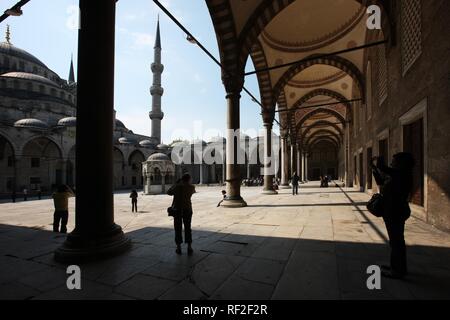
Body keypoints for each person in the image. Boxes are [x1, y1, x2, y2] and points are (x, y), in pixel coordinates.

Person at [371, 153, 415, 279]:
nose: (391, 164)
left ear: (401, 163)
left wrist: (379, 159)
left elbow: (383, 167)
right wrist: (374, 169)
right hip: (392, 211)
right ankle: (397, 267)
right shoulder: (397, 175)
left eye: (394, 161)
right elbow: (381, 182)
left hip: (396, 212)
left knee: (397, 242)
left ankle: (397, 271)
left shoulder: (403, 175)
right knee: (396, 241)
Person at [167, 173, 196, 255]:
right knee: (188, 228)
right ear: (188, 179)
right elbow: (192, 191)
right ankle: (189, 247)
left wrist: (176, 184)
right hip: (187, 209)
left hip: (177, 210)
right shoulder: (191, 187)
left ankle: (178, 247)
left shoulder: (176, 187)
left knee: (178, 229)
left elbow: (168, 192)